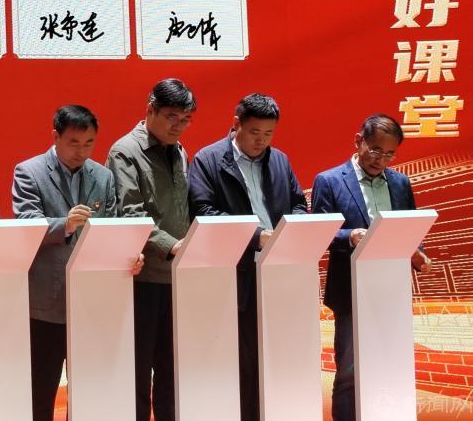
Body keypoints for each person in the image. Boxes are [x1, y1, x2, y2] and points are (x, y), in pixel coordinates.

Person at [13, 104, 141, 421]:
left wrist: (128, 255)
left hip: (90, 302)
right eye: (73, 143)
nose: (81, 152)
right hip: (46, 301)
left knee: (89, 390)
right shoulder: (29, 172)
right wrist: (65, 224)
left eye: (88, 143)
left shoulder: (103, 176)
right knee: (40, 390)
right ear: (55, 136)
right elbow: (26, 224)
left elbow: (112, 227)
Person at [187, 93, 308, 421]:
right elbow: (203, 212)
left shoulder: (279, 160)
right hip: (235, 274)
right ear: (236, 124)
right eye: (255, 132)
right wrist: (256, 237)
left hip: (278, 272)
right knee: (241, 358)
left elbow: (298, 202)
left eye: (269, 134)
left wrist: (291, 230)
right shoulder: (208, 159)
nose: (261, 141)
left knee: (278, 355)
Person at [311, 114, 432, 421]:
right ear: (358, 141)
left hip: (391, 290)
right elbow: (321, 233)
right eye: (376, 150)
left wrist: (418, 253)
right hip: (350, 292)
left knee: (392, 366)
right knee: (349, 372)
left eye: (390, 154)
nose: (381, 160)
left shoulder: (400, 183)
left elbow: (409, 228)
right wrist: (349, 236)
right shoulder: (329, 180)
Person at [107, 78, 196, 421]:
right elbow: (130, 215)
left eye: (185, 119)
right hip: (142, 278)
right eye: (172, 117)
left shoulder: (180, 151)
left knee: (173, 369)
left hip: (178, 276)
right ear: (150, 110)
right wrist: (173, 246)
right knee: (138, 370)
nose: (179, 126)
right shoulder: (125, 151)